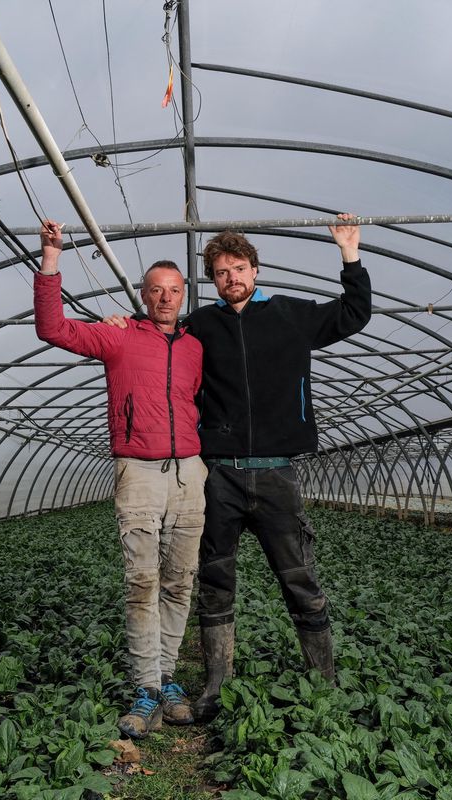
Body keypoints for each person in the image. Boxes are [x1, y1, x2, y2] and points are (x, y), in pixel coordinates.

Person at [187, 215, 370, 721]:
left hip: (275, 473)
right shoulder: (199, 327)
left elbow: (354, 314)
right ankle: (215, 685)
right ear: (213, 280)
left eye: (239, 268)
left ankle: (324, 684)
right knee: (215, 577)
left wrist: (349, 255)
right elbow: (159, 351)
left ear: (256, 270)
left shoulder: (291, 315)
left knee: (299, 578)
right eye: (221, 273)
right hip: (219, 473)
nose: (232, 278)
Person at [33, 220, 206, 739]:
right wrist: (51, 259)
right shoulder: (120, 338)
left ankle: (170, 679)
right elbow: (53, 329)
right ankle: (147, 687)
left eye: (174, 291)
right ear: (143, 294)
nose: (165, 298)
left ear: (184, 296)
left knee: (179, 581)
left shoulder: (198, 346)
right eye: (156, 290)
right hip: (139, 471)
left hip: (191, 474)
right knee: (141, 582)